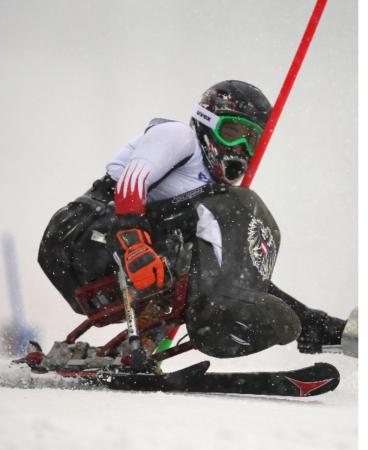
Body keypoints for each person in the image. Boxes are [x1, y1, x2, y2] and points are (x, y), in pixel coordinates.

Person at [38, 80, 346, 360]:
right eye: (232, 132)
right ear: (207, 123)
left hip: (118, 252)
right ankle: (216, 312)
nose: (241, 148)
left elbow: (234, 267)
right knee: (236, 206)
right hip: (79, 236)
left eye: (252, 140)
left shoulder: (212, 192)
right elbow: (131, 183)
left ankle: (307, 324)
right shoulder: (179, 137)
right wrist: (134, 244)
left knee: (218, 242)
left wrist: (306, 318)